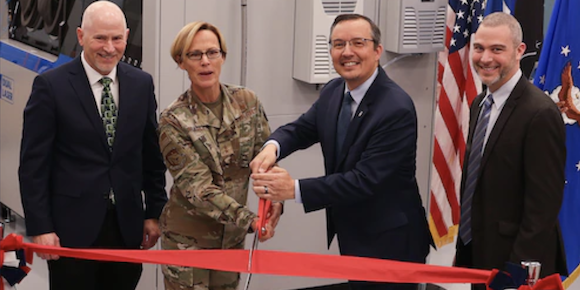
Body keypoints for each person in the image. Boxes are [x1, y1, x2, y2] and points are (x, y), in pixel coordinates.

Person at [250, 14, 432, 290]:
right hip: (354, 236)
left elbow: (364, 180)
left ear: (377, 50)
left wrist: (293, 189)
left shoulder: (396, 108)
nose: (347, 52)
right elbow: (301, 129)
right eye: (338, 44)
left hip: (392, 244)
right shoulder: (335, 90)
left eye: (358, 43)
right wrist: (271, 148)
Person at [18, 1, 167, 290]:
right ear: (81, 36)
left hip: (126, 228)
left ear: (126, 35)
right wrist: (41, 227)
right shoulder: (51, 87)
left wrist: (153, 213)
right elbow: (33, 166)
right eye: (100, 38)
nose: (109, 48)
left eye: (117, 38)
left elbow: (151, 156)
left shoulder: (141, 84)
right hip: (70, 231)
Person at [158, 21, 282, 290]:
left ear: (223, 57)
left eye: (212, 52)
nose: (205, 62)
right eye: (194, 55)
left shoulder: (247, 102)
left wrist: (274, 205)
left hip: (233, 239)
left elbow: (267, 161)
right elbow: (198, 188)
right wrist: (250, 220)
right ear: (181, 62)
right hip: (188, 243)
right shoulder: (173, 120)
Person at [454, 12, 568, 285]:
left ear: (519, 51)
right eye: (479, 48)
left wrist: (515, 270)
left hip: (516, 265)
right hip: (480, 252)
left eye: (497, 50)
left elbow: (543, 206)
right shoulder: (479, 104)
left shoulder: (539, 113)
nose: (485, 58)